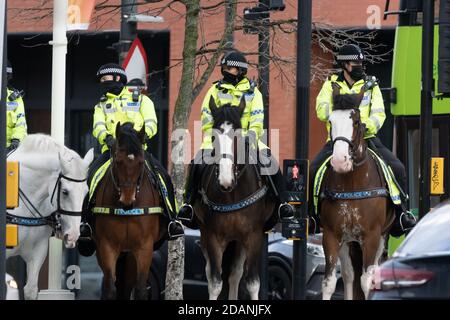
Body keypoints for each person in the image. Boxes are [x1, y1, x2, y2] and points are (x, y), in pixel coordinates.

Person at [310, 44, 416, 236]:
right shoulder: (330, 84)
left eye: (360, 62)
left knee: (398, 168)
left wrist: (364, 126)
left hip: (366, 137)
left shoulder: (371, 85)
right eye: (355, 62)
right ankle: (311, 217)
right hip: (337, 139)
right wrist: (341, 117)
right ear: (344, 64)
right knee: (312, 171)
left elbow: (379, 114)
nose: (359, 65)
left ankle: (402, 214)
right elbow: (321, 110)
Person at [177, 50, 294, 223]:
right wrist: (216, 136)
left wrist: (248, 138)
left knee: (270, 162)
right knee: (196, 163)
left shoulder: (253, 94)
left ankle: (283, 203)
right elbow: (206, 117)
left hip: (246, 139)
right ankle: (188, 204)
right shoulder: (214, 90)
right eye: (224, 67)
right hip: (217, 139)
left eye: (228, 68)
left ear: (240, 71)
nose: (224, 70)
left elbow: (257, 119)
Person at [78, 63, 183, 255]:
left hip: (137, 151)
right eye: (101, 81)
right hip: (111, 152)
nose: (103, 84)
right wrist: (107, 138)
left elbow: (152, 123)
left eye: (105, 80)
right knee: (91, 178)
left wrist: (138, 137)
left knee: (162, 176)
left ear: (118, 78)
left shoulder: (141, 100)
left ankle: (172, 220)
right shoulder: (101, 105)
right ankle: (85, 224)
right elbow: (98, 126)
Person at [5, 59, 27, 154]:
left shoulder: (15, 98)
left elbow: (20, 122)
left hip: (9, 148)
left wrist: (16, 139)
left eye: (7, 75)